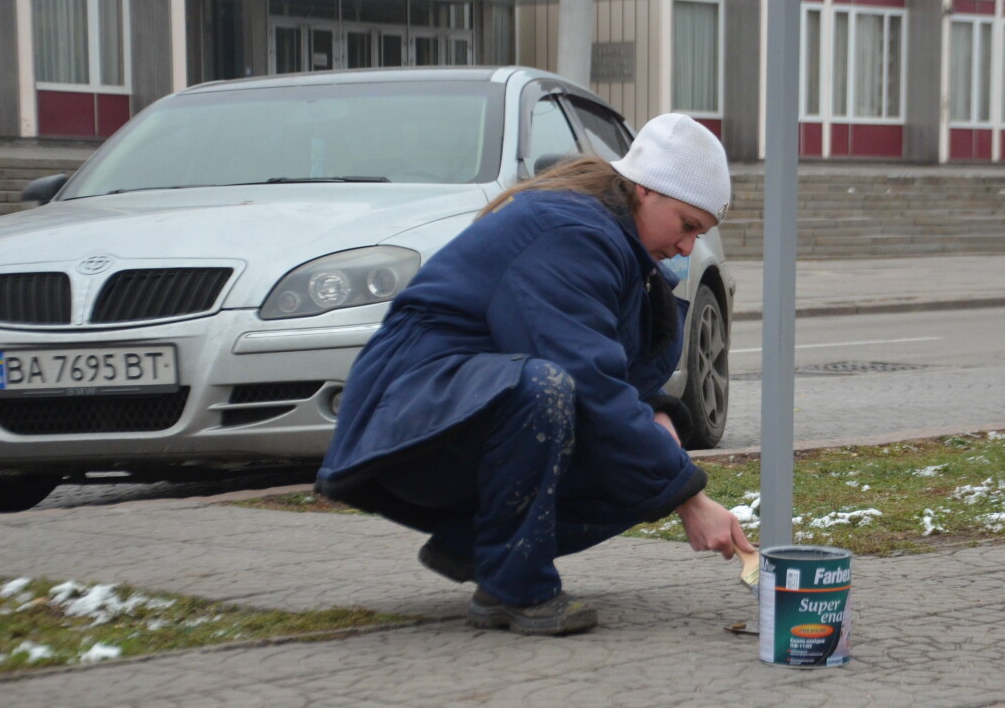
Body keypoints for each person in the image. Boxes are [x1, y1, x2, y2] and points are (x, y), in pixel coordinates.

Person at [315, 113, 754, 635]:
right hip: (410, 422)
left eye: (699, 234)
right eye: (686, 226)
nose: (687, 248)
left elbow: (614, 376)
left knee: (648, 449)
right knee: (550, 393)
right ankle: (513, 588)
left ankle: (476, 546)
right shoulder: (568, 232)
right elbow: (584, 379)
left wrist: (660, 421)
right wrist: (689, 498)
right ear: (644, 189)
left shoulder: (613, 243)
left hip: (461, 414)